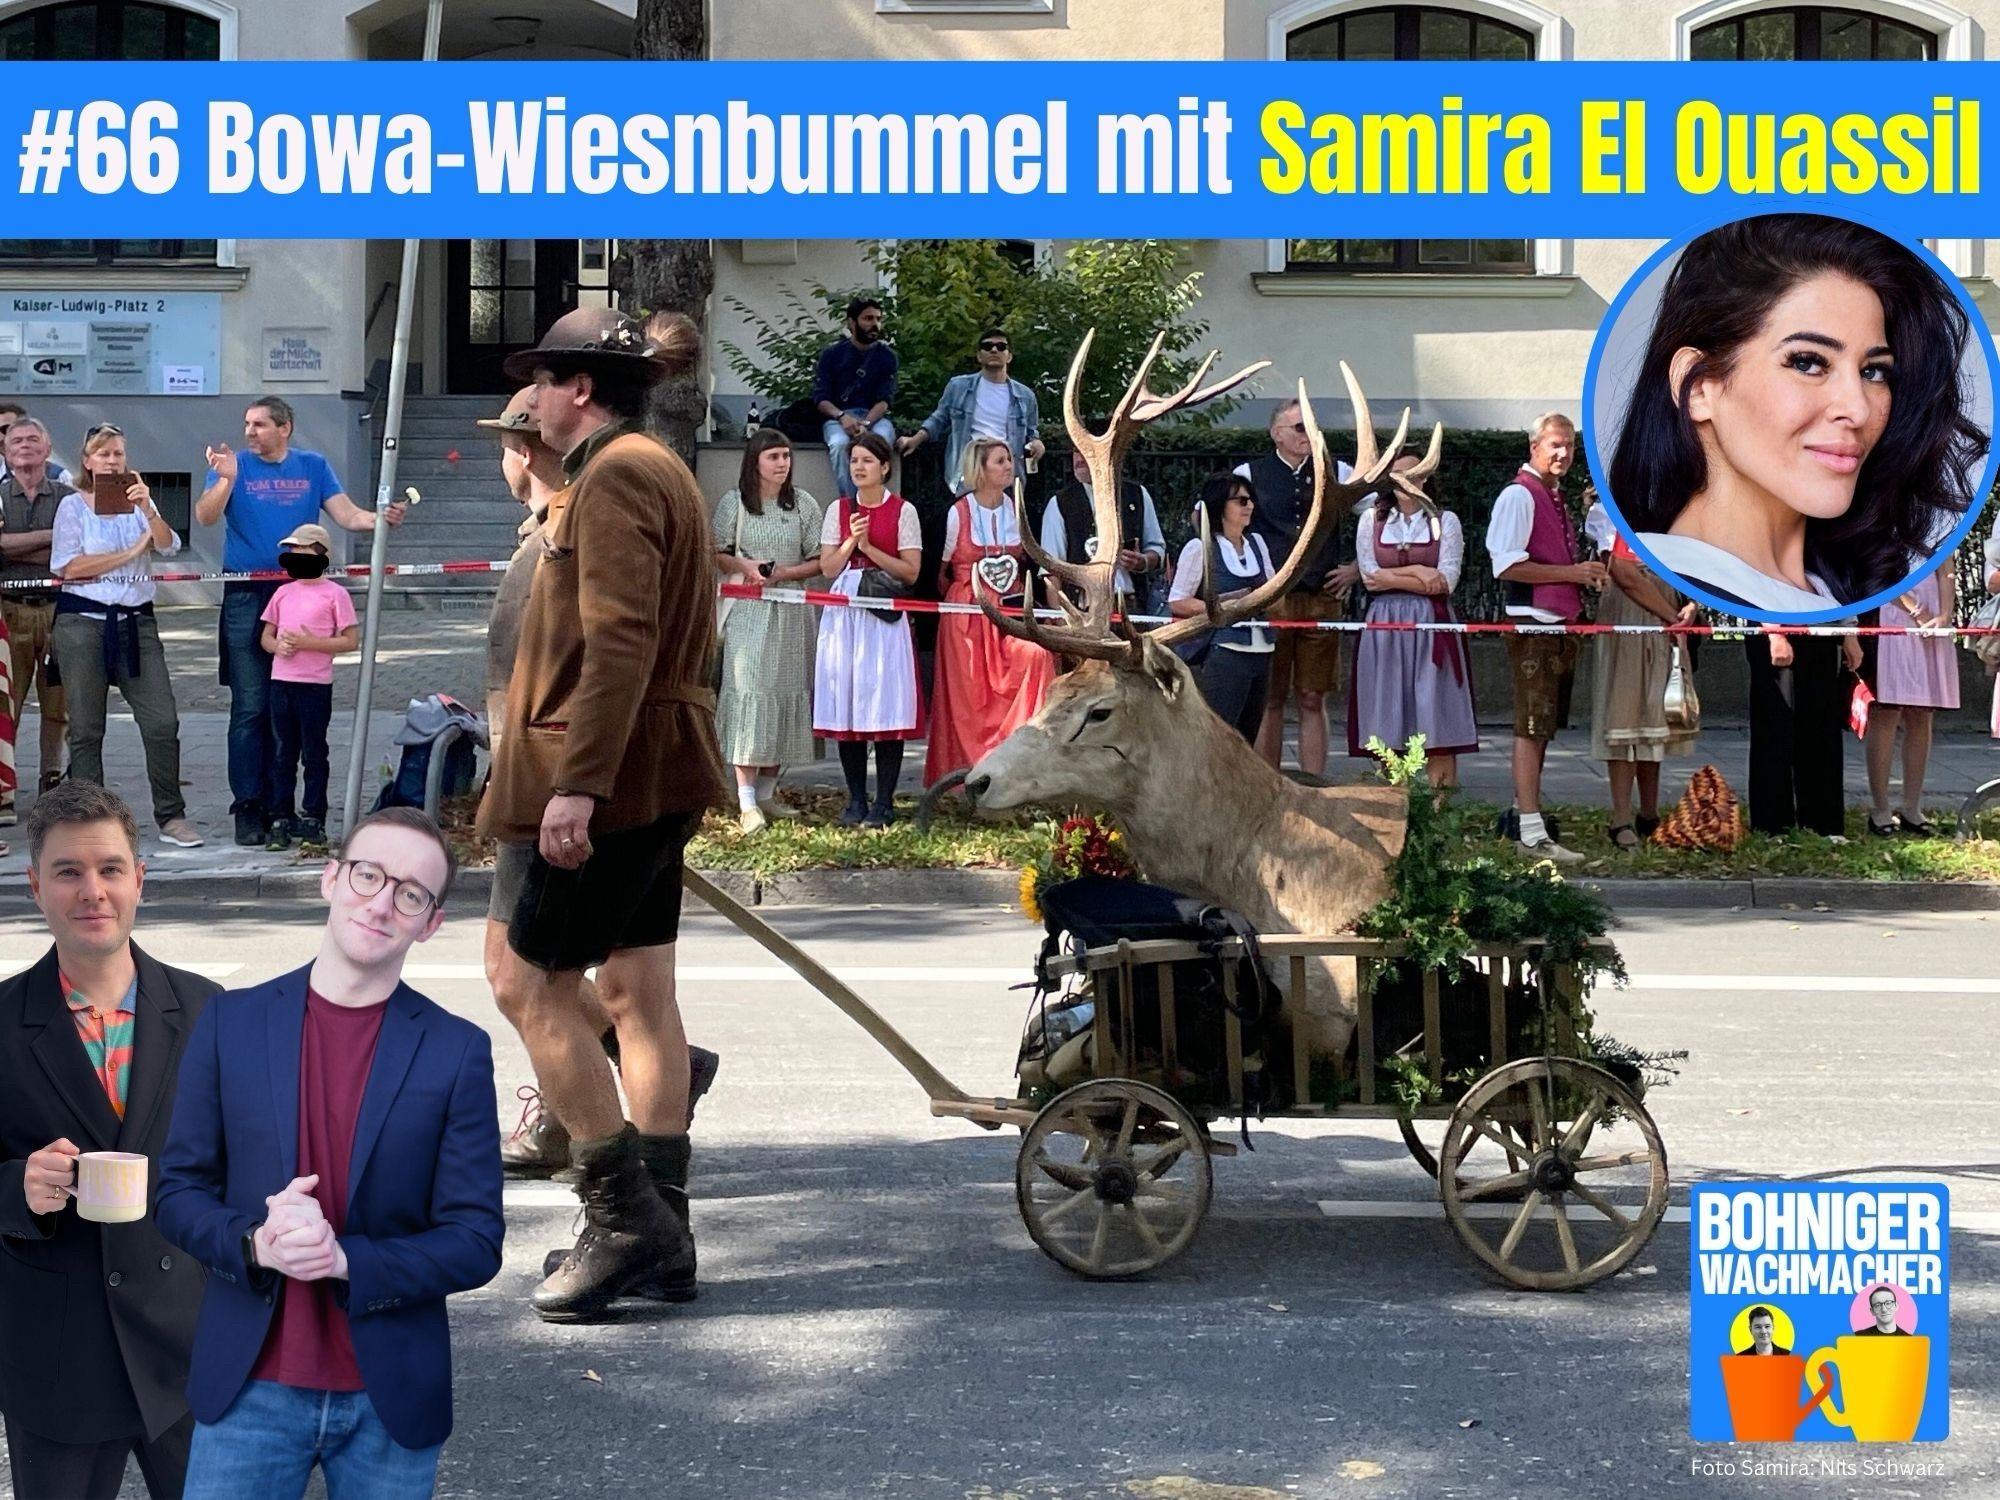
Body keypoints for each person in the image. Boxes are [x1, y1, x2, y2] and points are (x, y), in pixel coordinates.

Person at [479, 307, 727, 1322]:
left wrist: (577, 784)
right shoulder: (648, 466)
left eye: (540, 379)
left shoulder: (616, 474)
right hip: (647, 765)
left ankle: (622, 1221)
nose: (530, 398)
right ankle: (664, 1232)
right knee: (636, 987)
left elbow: (617, 643)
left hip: (604, 773)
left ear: (578, 389)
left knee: (528, 981)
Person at [155, 808, 502, 1498]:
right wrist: (256, 1243)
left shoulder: (457, 1050)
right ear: (331, 879)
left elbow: (475, 1239)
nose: (381, 902)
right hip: (250, 1383)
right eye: (368, 875)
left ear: (430, 923)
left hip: (388, 1396)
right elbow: (177, 1192)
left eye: (410, 893)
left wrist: (348, 1260)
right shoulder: (232, 1022)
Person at [0, 783, 218, 1500]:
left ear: (139, 880)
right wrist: (17, 1188)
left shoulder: (211, 1011)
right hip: (59, 1360)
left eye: (109, 869)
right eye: (68, 872)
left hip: (193, 1351)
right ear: (36, 887)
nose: (92, 891)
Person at [1609, 213, 1984, 614]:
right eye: (1807, 362)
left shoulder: (1837, 592)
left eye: (1874, 371)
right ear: (1698, 386)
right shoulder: (1676, 568)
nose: (1857, 409)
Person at [197, 396, 406, 848]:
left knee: (290, 710)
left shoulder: (312, 466)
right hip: (247, 595)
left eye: (259, 424)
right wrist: (225, 480)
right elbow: (206, 516)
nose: (249, 432)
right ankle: (248, 807)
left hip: (301, 591)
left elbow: (347, 515)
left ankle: (288, 808)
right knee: (251, 706)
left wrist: (380, 520)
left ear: (285, 427)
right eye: (247, 423)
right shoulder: (232, 465)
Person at [48, 424, 202, 849]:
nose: (113, 460)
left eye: (118, 453)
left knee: (161, 720)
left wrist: (149, 510)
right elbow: (69, 567)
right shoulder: (72, 506)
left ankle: (172, 815)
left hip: (136, 621)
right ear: (87, 460)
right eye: (104, 454)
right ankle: (87, 819)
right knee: (85, 726)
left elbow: (169, 544)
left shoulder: (139, 501)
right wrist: (132, 553)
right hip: (84, 622)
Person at [1486, 412, 1605, 863]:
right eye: (1555, 444)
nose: (1563, 453)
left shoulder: (1550, 494)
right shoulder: (1519, 495)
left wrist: (1581, 576)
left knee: (1544, 728)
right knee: (1531, 728)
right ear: (1534, 445)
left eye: (1570, 446)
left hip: (1556, 622)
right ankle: (1531, 832)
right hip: (1531, 623)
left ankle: (1525, 816)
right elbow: (1506, 565)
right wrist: (1571, 572)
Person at [713, 429, 826, 832]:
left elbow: (820, 559)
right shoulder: (735, 504)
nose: (782, 464)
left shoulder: (804, 505)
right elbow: (716, 550)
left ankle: (766, 793)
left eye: (786, 456)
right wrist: (745, 567)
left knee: (785, 694)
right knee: (751, 693)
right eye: (773, 457)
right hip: (749, 610)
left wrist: (784, 574)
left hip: (793, 612)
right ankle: (746, 803)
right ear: (755, 462)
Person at [1238, 399, 1357, 776]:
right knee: (1270, 698)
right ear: (1277, 434)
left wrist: (1357, 569)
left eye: (1313, 427)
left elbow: (1379, 514)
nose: (1310, 435)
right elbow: (1212, 517)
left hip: (1323, 598)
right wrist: (1246, 577)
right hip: (1273, 601)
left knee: (1312, 696)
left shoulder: (1338, 470)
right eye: (1300, 427)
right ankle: (1267, 785)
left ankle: (1313, 785)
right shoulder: (1249, 474)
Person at [927, 437, 1055, 781]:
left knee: (1036, 656)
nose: (1008, 466)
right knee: (969, 696)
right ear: (979, 470)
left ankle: (1023, 765)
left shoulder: (1018, 508)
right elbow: (937, 571)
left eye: (1008, 460)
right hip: (967, 613)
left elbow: (1030, 561)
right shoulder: (956, 513)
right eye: (999, 461)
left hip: (1010, 611)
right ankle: (967, 774)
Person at [815, 430, 923, 824]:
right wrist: (849, 544)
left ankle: (885, 802)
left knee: (886, 703)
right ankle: (856, 799)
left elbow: (911, 571)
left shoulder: (903, 511)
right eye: (854, 461)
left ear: (884, 467)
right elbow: (828, 568)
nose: (858, 467)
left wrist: (869, 549)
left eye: (866, 461)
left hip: (883, 609)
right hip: (846, 611)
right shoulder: (839, 510)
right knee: (849, 701)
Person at [1349, 454, 1477, 786]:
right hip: (1385, 626)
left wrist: (1393, 576)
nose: (1409, 479)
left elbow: (1447, 580)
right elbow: (1369, 578)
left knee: (1437, 720)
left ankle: (1438, 813)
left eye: (1416, 473)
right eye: (1401, 473)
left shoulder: (1445, 521)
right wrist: (1419, 571)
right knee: (1387, 721)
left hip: (1431, 624)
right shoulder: (1371, 521)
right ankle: (1394, 810)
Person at [1590, 520, 1700, 849]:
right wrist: (1671, 615)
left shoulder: (1674, 512)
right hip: (1630, 612)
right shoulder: (1609, 512)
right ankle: (1620, 819)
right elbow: (1623, 573)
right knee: (1626, 712)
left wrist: (1691, 603)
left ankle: (1649, 814)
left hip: (1667, 610)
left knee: (1657, 710)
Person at [258, 525, 358, 851]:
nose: (297, 559)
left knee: (314, 753)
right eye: (293, 553)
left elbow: (349, 640)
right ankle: (280, 816)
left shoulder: (335, 595)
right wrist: (278, 647)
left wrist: (309, 642)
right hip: (282, 682)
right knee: (281, 753)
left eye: (304, 552)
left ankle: (314, 815)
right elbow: (266, 636)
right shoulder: (283, 593)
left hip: (314, 685)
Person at [1167, 473, 1278, 744]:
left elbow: (1275, 593)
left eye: (1250, 499)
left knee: (1247, 736)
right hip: (1224, 651)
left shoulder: (1258, 545)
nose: (1249, 505)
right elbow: (1178, 599)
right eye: (1241, 500)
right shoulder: (1199, 547)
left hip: (1262, 650)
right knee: (1220, 734)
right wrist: (1219, 608)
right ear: (1220, 505)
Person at [0, 416, 73, 819]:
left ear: (47, 449)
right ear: (6, 452)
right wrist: (52, 538)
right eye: (16, 441)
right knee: (4, 705)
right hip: (9, 613)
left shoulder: (68, 497)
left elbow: (73, 556)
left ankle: (51, 781)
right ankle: (3, 790)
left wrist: (13, 547)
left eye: (33, 440)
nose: (25, 446)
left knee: (57, 706)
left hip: (59, 612)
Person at [1860, 558, 1957, 837]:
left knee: (1922, 713)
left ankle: (1912, 809)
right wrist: (1915, 609)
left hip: (1933, 617)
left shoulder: (1940, 519)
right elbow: (1879, 569)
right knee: (1886, 712)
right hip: (1891, 612)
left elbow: (1946, 568)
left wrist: (1945, 614)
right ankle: (1880, 810)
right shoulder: (1884, 518)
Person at [1745, 626, 1862, 837]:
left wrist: (1848, 632)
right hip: (1772, 627)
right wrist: (1775, 634)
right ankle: (1772, 826)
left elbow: (1837, 592)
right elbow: (1756, 592)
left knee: (1823, 727)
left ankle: (1824, 825)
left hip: (1820, 630)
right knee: (1775, 728)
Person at [1039, 444, 1168, 619]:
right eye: (1076, 450)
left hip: (1131, 607)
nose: (1079, 458)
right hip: (1083, 608)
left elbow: (1156, 548)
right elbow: (1052, 568)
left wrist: (1142, 561)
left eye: (1087, 450)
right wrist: (1058, 616)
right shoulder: (1061, 503)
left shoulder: (1137, 494)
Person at [897, 327, 1047, 478]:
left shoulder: (1025, 396)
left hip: (1006, 469)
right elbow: (939, 418)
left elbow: (1031, 433)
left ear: (1009, 357)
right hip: (968, 468)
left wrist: (1037, 443)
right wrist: (916, 439)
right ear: (979, 356)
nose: (994, 350)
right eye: (987, 346)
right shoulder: (958, 387)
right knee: (967, 502)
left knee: (1005, 502)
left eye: (1001, 347)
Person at [813, 296, 898, 499]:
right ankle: (851, 504)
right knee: (839, 444)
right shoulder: (831, 355)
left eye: (878, 318)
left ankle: (875, 500)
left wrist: (866, 424)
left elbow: (884, 400)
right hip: (837, 418)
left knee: (882, 440)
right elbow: (821, 398)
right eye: (868, 318)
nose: (875, 324)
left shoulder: (887, 357)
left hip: (874, 418)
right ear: (852, 323)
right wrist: (842, 417)